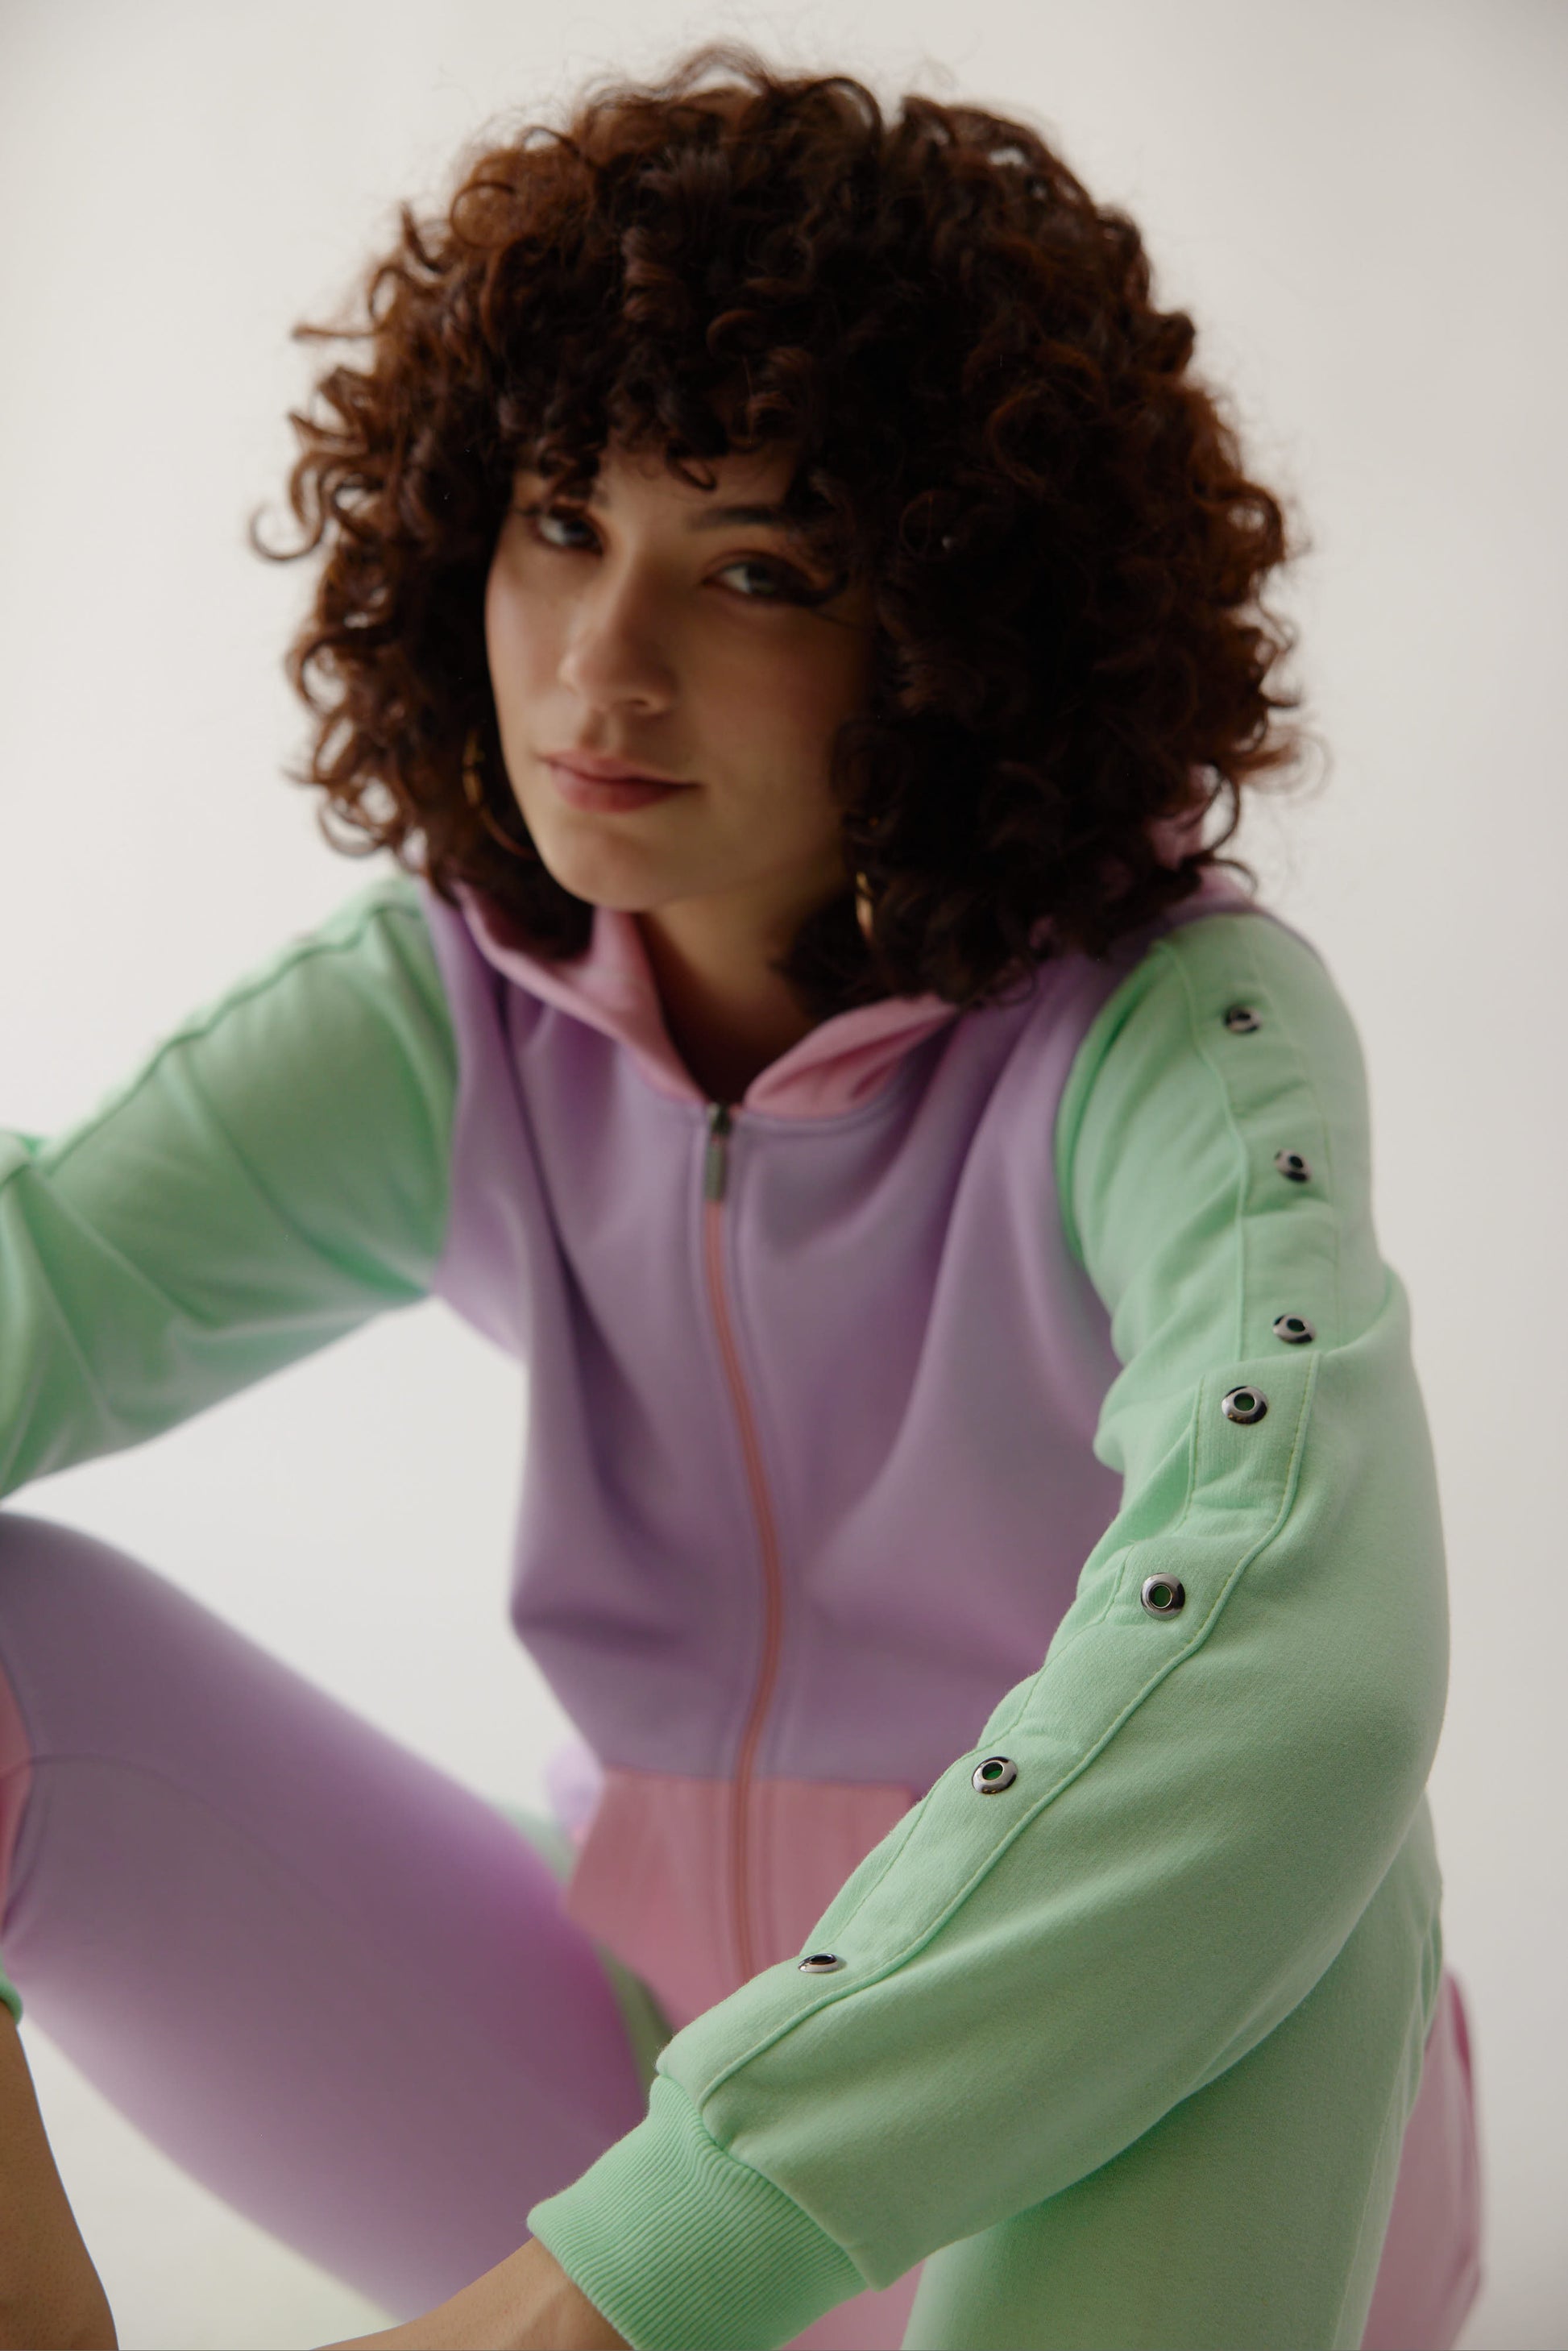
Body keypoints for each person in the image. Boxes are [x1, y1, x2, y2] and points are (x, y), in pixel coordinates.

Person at [0, 43, 1481, 2351]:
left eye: (759, 571)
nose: (601, 667)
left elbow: (1312, 1660)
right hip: (626, 2103)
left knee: (1286, 1774)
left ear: (957, 637)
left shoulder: (1169, 1036)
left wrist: (612, 2286)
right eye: (557, 523)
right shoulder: (456, 1012)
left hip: (1138, 2160)